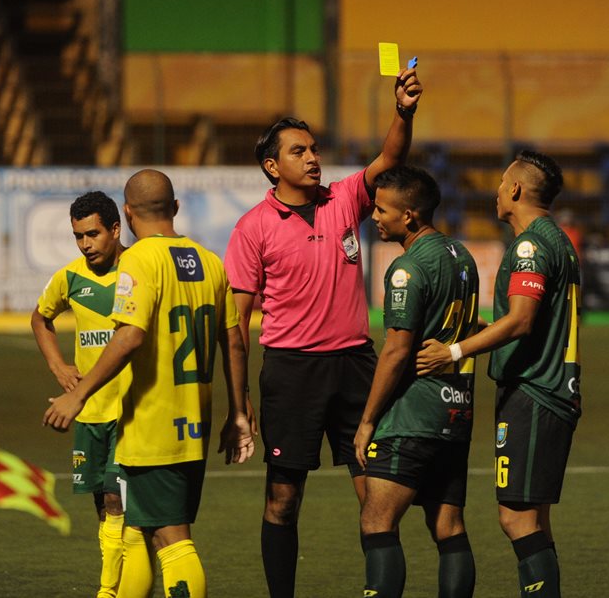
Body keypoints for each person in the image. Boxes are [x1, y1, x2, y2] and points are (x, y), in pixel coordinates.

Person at [223, 63, 422, 598]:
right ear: (271, 166)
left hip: (357, 364)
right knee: (283, 501)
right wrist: (239, 406)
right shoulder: (251, 229)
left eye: (313, 149)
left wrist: (403, 111)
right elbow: (235, 324)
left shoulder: (344, 201)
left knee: (376, 498)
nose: (312, 157)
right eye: (298, 151)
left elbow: (391, 160)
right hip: (292, 372)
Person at [43, 169, 254, 598]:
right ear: (175, 208)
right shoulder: (210, 261)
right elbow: (233, 340)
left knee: (171, 540)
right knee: (136, 529)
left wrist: (77, 395)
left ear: (126, 213)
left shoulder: (138, 260)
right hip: (193, 422)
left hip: (152, 425)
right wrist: (239, 413)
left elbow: (130, 335)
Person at [417, 150, 580, 598]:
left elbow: (524, 319)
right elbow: (535, 322)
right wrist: (487, 329)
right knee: (536, 522)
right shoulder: (560, 241)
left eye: (501, 183)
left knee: (515, 519)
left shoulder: (529, 245)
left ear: (515, 190)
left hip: (535, 393)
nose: (495, 191)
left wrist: (454, 350)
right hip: (553, 390)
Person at [353, 166, 480, 598]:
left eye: (382, 209)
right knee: (448, 525)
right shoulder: (461, 256)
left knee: (377, 521)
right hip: (456, 410)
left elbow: (397, 350)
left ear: (409, 215)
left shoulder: (407, 268)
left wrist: (368, 420)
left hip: (413, 415)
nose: (374, 216)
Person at [30, 191, 130, 598]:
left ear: (115, 229)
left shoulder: (138, 270)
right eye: (78, 236)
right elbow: (40, 318)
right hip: (89, 412)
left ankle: (110, 591)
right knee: (102, 506)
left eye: (92, 234)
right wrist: (58, 367)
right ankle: (122, 581)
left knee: (116, 500)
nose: (85, 244)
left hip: (131, 410)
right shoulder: (71, 277)